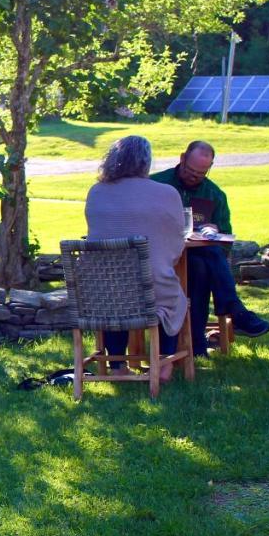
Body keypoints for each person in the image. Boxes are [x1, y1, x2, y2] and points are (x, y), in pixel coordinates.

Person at [150, 140, 269, 354]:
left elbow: (226, 239)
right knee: (206, 261)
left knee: (202, 265)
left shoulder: (214, 194)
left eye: (200, 174)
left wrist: (214, 228)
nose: (193, 177)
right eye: (190, 171)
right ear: (182, 159)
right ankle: (233, 311)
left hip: (195, 257)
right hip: (163, 258)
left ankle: (197, 343)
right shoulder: (158, 184)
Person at [84, 136, 186, 380]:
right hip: (149, 289)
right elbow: (176, 243)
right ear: (146, 162)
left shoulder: (96, 192)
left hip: (101, 290)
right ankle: (163, 362)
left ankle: (117, 366)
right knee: (174, 297)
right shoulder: (166, 193)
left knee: (114, 292)